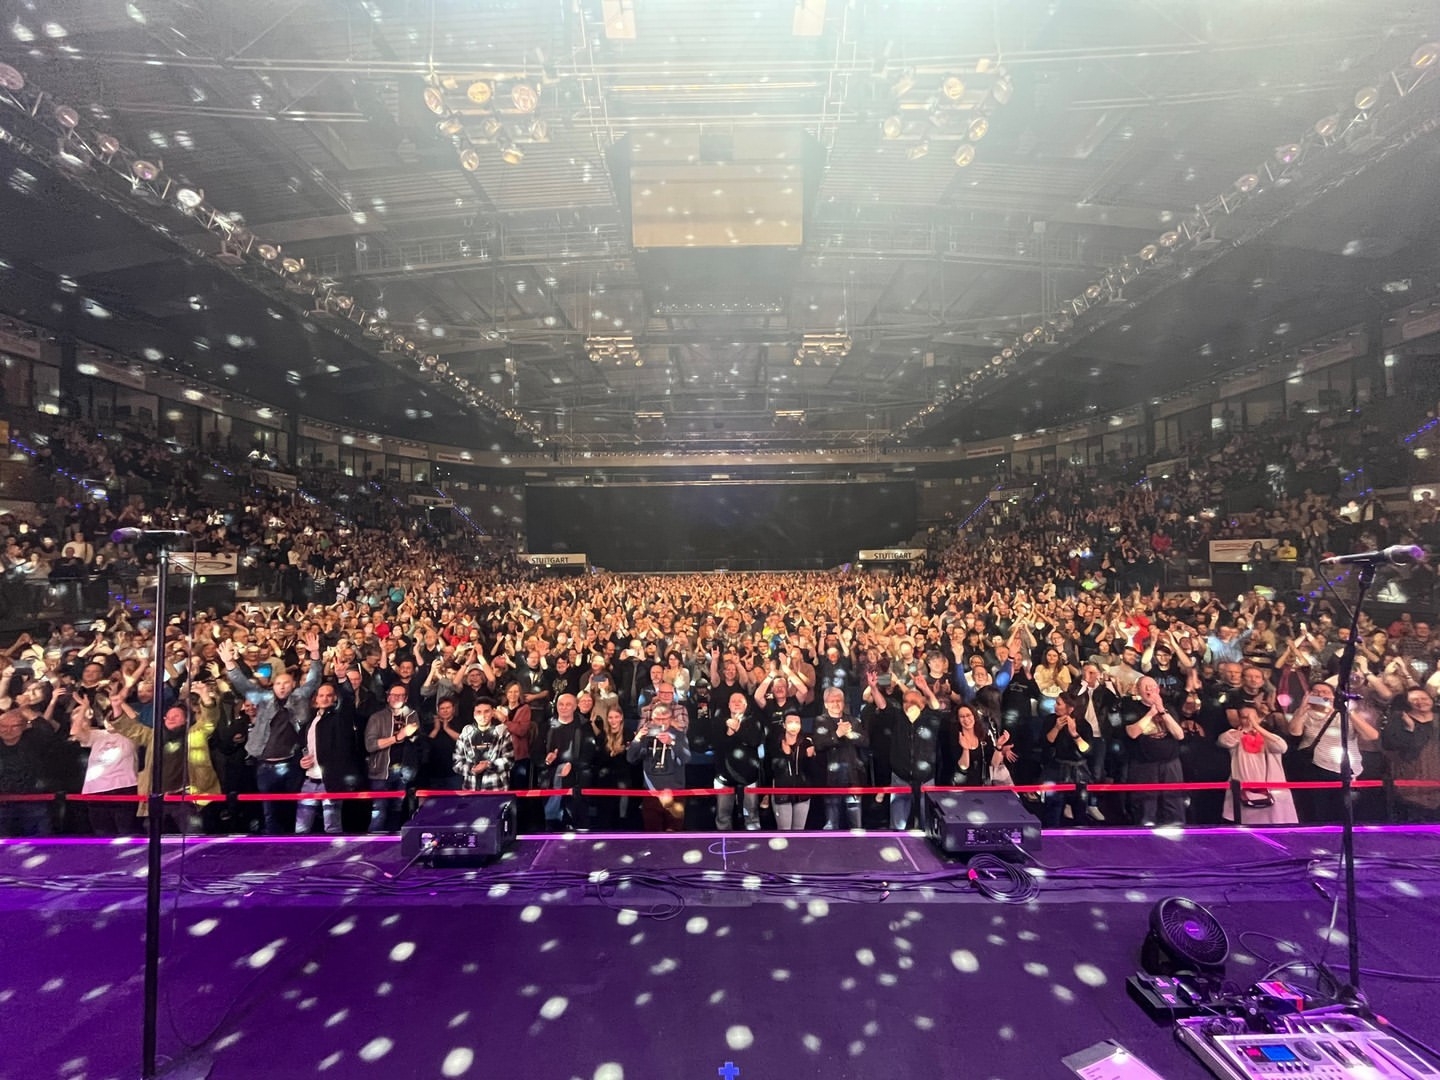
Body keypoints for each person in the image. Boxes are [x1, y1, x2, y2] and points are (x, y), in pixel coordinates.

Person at [220, 632, 323, 834]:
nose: (282, 687)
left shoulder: (300, 697)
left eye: (286, 683)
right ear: (273, 686)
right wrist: (229, 663)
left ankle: (290, 843)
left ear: (293, 685)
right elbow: (243, 685)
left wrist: (315, 655)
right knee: (269, 811)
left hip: (291, 763)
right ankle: (273, 844)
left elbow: (314, 679)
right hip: (265, 765)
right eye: (278, 684)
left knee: (291, 809)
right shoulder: (264, 698)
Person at [295, 681, 366, 834]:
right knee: (301, 828)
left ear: (335, 698)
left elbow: (348, 699)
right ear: (315, 699)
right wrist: (301, 762)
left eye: (329, 695)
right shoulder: (309, 722)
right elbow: (303, 747)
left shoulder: (340, 718)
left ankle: (332, 851)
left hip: (330, 780)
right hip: (309, 780)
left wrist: (342, 678)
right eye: (321, 695)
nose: (324, 698)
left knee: (332, 827)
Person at [1123, 676, 1186, 827]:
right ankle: (1145, 834)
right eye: (1145, 687)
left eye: (1152, 686)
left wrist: (1162, 711)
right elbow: (1132, 733)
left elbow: (1179, 735)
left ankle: (1176, 831)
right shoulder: (1131, 707)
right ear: (1138, 691)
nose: (1149, 689)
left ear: (1158, 689)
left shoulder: (1168, 708)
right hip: (1145, 764)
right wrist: (1151, 713)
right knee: (1146, 806)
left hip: (1170, 763)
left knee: (1173, 803)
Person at [1218, 705, 1297, 825]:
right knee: (1246, 827)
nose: (1249, 720)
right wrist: (1243, 732)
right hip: (1244, 790)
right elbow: (1223, 741)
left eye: (1253, 717)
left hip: (1272, 791)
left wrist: (1257, 727)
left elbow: (1282, 747)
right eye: (1245, 717)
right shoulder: (1234, 735)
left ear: (1260, 719)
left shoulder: (1269, 737)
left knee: (1275, 826)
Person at [364, 684, 423, 831]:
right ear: (388, 697)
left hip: (404, 771)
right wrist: (397, 737)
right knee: (379, 810)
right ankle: (373, 842)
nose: (397, 698)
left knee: (397, 810)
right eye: (394, 695)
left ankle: (392, 842)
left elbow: (418, 741)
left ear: (406, 698)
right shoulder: (377, 717)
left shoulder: (412, 715)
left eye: (401, 695)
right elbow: (370, 745)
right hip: (381, 771)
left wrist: (413, 735)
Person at [811, 686, 868, 830]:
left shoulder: (854, 721)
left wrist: (850, 735)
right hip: (831, 779)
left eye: (839, 701)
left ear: (844, 703)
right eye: (832, 701)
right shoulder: (820, 721)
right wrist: (837, 734)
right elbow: (819, 744)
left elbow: (865, 741)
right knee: (832, 824)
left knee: (856, 825)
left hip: (852, 777)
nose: (836, 704)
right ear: (826, 704)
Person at [626, 701, 689, 831]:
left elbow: (686, 758)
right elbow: (631, 758)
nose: (660, 722)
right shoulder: (645, 735)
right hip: (651, 792)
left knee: (674, 833)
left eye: (664, 719)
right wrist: (637, 739)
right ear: (652, 719)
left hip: (674, 792)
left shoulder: (679, 734)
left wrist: (672, 742)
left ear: (670, 719)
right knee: (652, 834)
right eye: (657, 719)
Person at [1382, 687, 1440, 822]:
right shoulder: (1398, 720)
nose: (1420, 702)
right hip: (1410, 781)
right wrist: (1409, 729)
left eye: (1424, 698)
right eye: (1414, 700)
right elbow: (1389, 745)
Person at [712, 691, 763, 831]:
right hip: (724, 777)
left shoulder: (753, 721)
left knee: (751, 815)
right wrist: (729, 733)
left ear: (746, 705)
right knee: (723, 815)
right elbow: (716, 743)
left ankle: (752, 841)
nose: (736, 703)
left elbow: (755, 741)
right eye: (733, 701)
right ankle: (724, 841)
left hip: (748, 776)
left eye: (740, 701)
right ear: (728, 705)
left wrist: (738, 728)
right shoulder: (719, 721)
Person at [452, 698, 514, 791]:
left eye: (486, 711)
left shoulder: (502, 733)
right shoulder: (466, 733)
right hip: (471, 789)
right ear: (474, 714)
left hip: (496, 788)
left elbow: (509, 761)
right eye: (479, 712)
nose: (483, 716)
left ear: (493, 713)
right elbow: (457, 762)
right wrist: (472, 769)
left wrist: (488, 765)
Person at [768, 711, 815, 831]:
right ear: (784, 725)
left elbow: (811, 771)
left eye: (797, 722)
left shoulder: (806, 743)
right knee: (784, 829)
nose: (794, 725)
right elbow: (770, 768)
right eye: (790, 722)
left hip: (802, 791)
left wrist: (810, 757)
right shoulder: (775, 743)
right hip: (782, 791)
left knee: (799, 830)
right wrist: (786, 755)